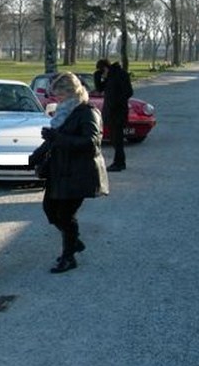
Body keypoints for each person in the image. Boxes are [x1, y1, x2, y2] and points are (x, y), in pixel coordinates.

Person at [29, 72, 109, 273]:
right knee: (50, 209)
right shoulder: (64, 111)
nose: (57, 99)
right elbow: (53, 140)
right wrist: (34, 157)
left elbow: (91, 143)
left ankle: (69, 257)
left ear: (72, 92)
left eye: (60, 95)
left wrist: (57, 138)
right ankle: (73, 242)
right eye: (55, 95)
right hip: (60, 170)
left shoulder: (87, 112)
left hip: (80, 172)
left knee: (65, 214)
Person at [95, 58, 133, 172]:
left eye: (102, 71)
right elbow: (100, 88)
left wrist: (116, 102)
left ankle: (119, 163)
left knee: (118, 139)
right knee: (114, 138)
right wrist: (97, 76)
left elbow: (129, 92)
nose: (103, 75)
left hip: (118, 112)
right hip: (111, 111)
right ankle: (119, 162)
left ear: (105, 68)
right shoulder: (110, 76)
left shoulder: (120, 74)